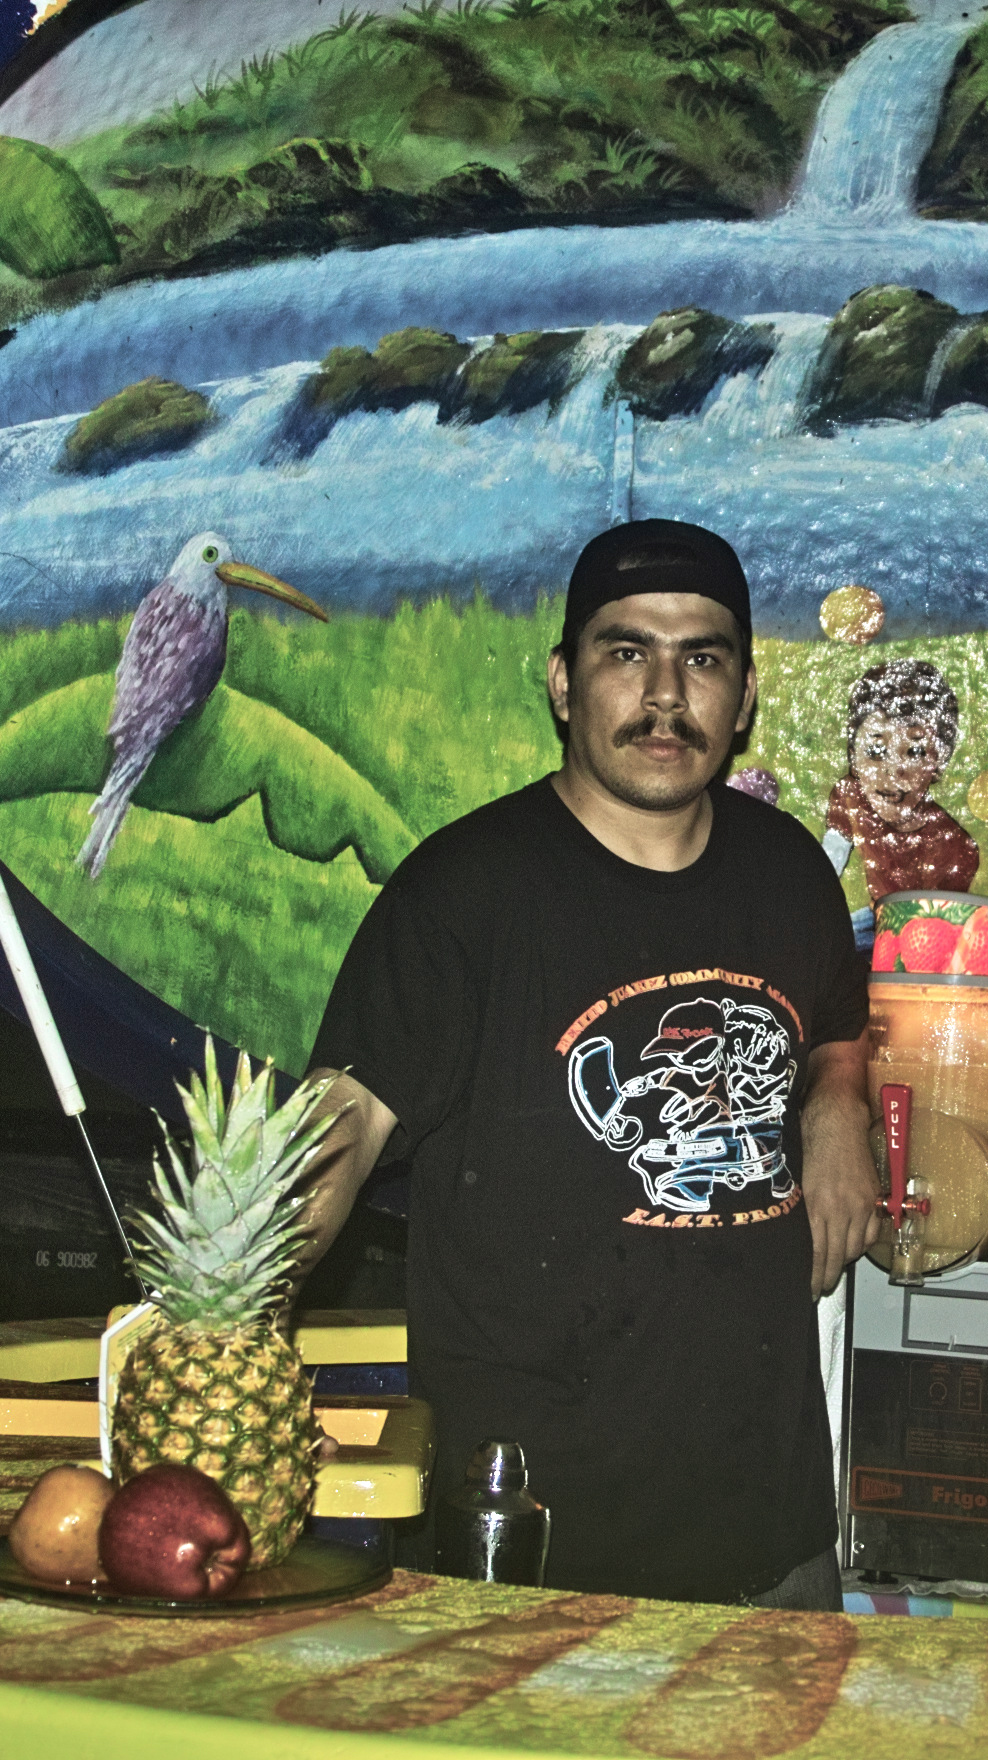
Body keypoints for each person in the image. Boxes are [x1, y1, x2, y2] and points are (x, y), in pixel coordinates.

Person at [291, 518, 879, 1607]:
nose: (666, 694)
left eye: (702, 658)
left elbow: (837, 1022)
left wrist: (838, 1106)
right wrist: (239, 1325)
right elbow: (346, 1120)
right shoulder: (463, 894)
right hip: (527, 1553)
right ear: (564, 683)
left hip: (772, 1541)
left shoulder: (791, 873)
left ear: (745, 694)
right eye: (627, 652)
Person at [825, 658, 980, 902]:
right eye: (876, 751)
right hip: (873, 915)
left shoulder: (956, 849)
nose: (893, 771)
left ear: (939, 762)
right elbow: (827, 867)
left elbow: (934, 917)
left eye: (914, 752)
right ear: (853, 757)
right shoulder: (850, 794)